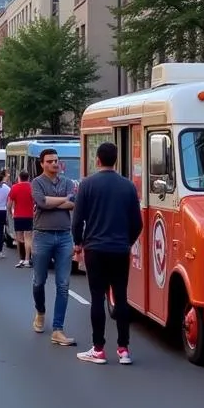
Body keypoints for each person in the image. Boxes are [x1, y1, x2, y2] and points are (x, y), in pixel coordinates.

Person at [71, 142, 142, 364]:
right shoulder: (128, 186)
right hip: (120, 249)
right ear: (116, 160)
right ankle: (124, 349)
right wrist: (127, 242)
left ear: (97, 160)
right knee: (121, 298)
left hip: (95, 249)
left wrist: (78, 243)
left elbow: (78, 219)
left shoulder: (87, 185)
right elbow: (137, 223)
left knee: (97, 297)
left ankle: (99, 348)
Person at [31, 148, 77, 346]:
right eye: (49, 161)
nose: (54, 164)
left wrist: (54, 202)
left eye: (56, 161)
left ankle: (58, 329)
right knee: (39, 281)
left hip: (65, 236)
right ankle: (40, 311)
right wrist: (63, 201)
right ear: (42, 164)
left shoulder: (68, 182)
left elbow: (73, 203)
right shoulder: (37, 182)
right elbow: (41, 202)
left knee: (63, 285)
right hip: (43, 235)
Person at [7, 169, 35, 267]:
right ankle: (28, 259)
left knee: (19, 238)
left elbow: (9, 205)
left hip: (18, 216)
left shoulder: (14, 187)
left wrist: (11, 213)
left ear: (19, 178)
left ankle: (21, 259)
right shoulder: (32, 187)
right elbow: (36, 202)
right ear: (28, 178)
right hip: (29, 216)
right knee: (28, 238)